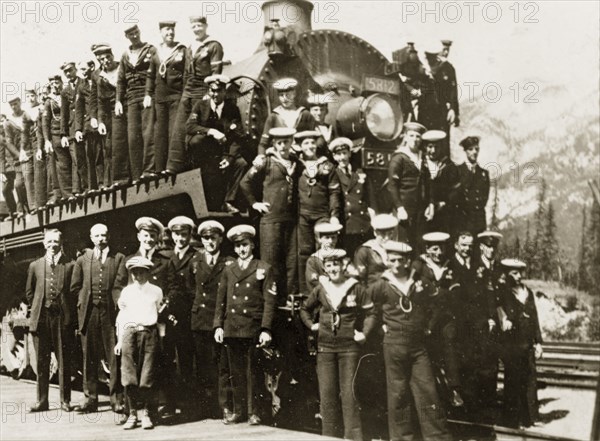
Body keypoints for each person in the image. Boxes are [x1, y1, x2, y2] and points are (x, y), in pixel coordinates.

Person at [368, 240, 453, 441]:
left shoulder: (420, 282)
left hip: (418, 347)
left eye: (401, 260)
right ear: (388, 261)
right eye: (393, 260)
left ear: (407, 261)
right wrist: (381, 330)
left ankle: (438, 438)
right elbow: (369, 311)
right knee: (398, 397)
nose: (397, 264)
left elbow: (439, 301)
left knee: (428, 393)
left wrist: (429, 326)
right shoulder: (381, 284)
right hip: (394, 346)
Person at [300, 249, 374, 441]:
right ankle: (329, 437)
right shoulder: (321, 288)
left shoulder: (355, 287)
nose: (333, 269)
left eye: (336, 265)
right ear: (325, 268)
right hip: (325, 348)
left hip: (349, 348)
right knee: (327, 397)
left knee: (350, 396)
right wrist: (312, 325)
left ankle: (353, 437)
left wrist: (364, 333)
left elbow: (371, 313)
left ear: (344, 266)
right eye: (329, 265)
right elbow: (305, 309)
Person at [213, 225, 277, 426]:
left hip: (252, 328)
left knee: (254, 373)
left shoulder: (263, 268)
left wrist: (266, 329)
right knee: (236, 373)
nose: (241, 249)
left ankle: (254, 412)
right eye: (238, 246)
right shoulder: (229, 270)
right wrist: (218, 326)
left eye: (245, 245)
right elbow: (221, 300)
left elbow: (270, 302)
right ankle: (239, 411)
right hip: (232, 328)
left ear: (252, 245)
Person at [70, 224, 126, 414]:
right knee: (89, 357)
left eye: (104, 235)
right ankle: (90, 399)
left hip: (110, 313)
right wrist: (83, 303)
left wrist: (118, 304)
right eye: (97, 236)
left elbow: (120, 283)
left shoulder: (118, 258)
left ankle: (117, 399)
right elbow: (75, 286)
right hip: (89, 313)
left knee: (114, 356)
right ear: (91, 238)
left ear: (108, 236)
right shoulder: (82, 260)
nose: (101, 238)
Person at [240, 127, 300, 298]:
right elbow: (245, 183)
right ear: (273, 144)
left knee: (291, 262)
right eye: (279, 143)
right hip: (270, 220)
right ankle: (270, 303)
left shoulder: (296, 161)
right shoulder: (265, 162)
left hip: (290, 220)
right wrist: (254, 204)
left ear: (291, 143)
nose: (283, 146)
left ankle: (289, 300)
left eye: (286, 142)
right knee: (271, 263)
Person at [411, 232, 463, 408]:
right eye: (435, 249)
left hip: (445, 317)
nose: (439, 253)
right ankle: (432, 393)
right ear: (427, 249)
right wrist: (438, 294)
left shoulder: (450, 267)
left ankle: (454, 388)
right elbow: (416, 294)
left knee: (450, 341)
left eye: (441, 248)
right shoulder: (419, 267)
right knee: (426, 351)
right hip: (426, 318)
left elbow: (455, 295)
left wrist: (436, 293)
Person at [166, 16, 224, 174]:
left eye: (199, 25)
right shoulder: (190, 47)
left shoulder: (214, 45)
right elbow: (185, 72)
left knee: (199, 125)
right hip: (189, 88)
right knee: (179, 127)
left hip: (203, 87)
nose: (196, 29)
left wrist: (209, 93)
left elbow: (216, 74)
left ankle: (196, 167)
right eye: (193, 26)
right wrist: (185, 92)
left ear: (206, 26)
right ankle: (174, 166)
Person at [188, 220, 234, 420]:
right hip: (200, 319)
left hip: (218, 319)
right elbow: (190, 288)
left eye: (213, 238)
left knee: (221, 365)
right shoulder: (195, 261)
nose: (209, 242)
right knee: (203, 364)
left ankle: (223, 405)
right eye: (206, 238)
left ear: (220, 239)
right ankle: (204, 407)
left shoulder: (228, 263)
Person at [25, 229, 75, 413]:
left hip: (61, 317)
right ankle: (42, 401)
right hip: (41, 318)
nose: (52, 245)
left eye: (56, 241)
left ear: (61, 243)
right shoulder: (35, 266)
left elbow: (73, 290)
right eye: (49, 241)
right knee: (41, 361)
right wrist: (38, 306)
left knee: (64, 360)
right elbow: (29, 292)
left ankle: (65, 401)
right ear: (43, 243)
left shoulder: (69, 265)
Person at [186, 74, 247, 212]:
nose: (215, 94)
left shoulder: (232, 109)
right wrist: (210, 131)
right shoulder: (201, 105)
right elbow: (189, 126)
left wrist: (229, 158)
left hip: (222, 152)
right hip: (204, 153)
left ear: (224, 92)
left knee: (241, 163)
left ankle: (228, 201)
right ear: (209, 91)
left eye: (219, 91)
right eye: (212, 90)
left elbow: (238, 136)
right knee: (197, 141)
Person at [114, 256, 163, 430]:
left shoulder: (156, 291)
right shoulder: (126, 292)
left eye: (141, 272)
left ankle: (147, 414)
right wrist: (119, 341)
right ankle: (132, 414)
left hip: (149, 334)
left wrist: (160, 339)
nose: (137, 276)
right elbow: (122, 317)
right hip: (129, 334)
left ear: (148, 272)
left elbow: (159, 315)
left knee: (147, 376)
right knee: (129, 376)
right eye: (134, 272)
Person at [462, 230, 503, 421]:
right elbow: (473, 299)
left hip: (498, 321)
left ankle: (490, 402)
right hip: (481, 322)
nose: (490, 250)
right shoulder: (474, 268)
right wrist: (486, 318)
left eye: (493, 247)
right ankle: (479, 406)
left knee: (493, 363)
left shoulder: (499, 268)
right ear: (481, 247)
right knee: (480, 363)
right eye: (487, 246)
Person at [498, 259, 543, 429]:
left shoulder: (528, 293)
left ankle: (532, 418)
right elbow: (500, 312)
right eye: (514, 273)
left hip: (527, 343)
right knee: (513, 381)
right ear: (507, 273)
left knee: (531, 379)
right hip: (512, 344)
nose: (518, 276)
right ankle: (512, 420)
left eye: (519, 273)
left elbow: (535, 318)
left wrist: (538, 342)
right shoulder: (503, 293)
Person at [295, 130, 342, 294]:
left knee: (325, 251)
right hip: (303, 216)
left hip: (322, 215)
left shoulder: (327, 165)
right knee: (304, 252)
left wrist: (334, 215)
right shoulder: (296, 164)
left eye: (312, 143)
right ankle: (306, 292)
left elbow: (334, 192)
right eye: (306, 143)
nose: (310, 146)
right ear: (300, 146)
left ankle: (327, 290)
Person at [160, 216, 197, 419]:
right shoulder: (166, 257)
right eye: (177, 234)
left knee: (186, 361)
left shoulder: (195, 257)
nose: (180, 239)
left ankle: (188, 405)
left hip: (186, 316)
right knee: (167, 360)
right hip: (168, 316)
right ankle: (169, 403)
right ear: (171, 235)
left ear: (190, 235)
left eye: (184, 235)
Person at [115, 24, 157, 182]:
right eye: (131, 34)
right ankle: (137, 174)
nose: (134, 36)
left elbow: (154, 73)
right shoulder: (125, 55)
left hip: (146, 95)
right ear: (127, 36)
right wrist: (118, 100)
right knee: (133, 138)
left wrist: (149, 93)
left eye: (136, 32)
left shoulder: (150, 49)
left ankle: (149, 170)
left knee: (148, 134)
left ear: (139, 32)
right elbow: (120, 80)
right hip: (131, 98)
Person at [146, 21, 186, 173]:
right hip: (160, 98)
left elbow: (187, 73)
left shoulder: (181, 50)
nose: (170, 33)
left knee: (173, 132)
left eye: (172, 30)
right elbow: (150, 75)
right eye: (166, 30)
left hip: (176, 96)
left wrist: (184, 94)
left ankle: (172, 167)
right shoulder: (156, 52)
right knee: (160, 133)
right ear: (161, 32)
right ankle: (159, 168)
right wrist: (148, 94)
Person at [387, 122, 434, 246]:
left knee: (419, 243)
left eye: (418, 136)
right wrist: (399, 207)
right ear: (406, 137)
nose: (415, 139)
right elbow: (392, 185)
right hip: (404, 208)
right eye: (411, 135)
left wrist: (430, 204)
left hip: (420, 209)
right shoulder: (399, 158)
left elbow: (428, 183)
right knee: (403, 243)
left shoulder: (422, 157)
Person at [329, 137, 376, 255]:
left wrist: (374, 218)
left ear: (349, 153)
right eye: (338, 154)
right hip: (346, 224)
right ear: (334, 157)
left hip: (363, 223)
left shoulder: (360, 172)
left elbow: (370, 197)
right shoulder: (333, 175)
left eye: (344, 153)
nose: (342, 157)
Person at [257, 78, 316, 156]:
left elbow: (316, 137)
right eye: (281, 95)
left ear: (294, 94)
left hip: (302, 155)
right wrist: (261, 156)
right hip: (281, 157)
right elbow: (263, 144)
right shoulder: (273, 117)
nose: (284, 98)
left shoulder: (305, 114)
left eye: (287, 95)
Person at [422, 130, 460, 233]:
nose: (433, 151)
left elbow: (455, 190)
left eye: (436, 147)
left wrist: (443, 203)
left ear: (441, 147)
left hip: (443, 213)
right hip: (422, 213)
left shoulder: (449, 166)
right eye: (430, 147)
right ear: (425, 147)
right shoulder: (420, 164)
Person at [60, 61, 88, 197]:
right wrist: (63, 134)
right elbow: (64, 114)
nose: (68, 73)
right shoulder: (65, 92)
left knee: (88, 155)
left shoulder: (84, 83)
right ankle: (80, 189)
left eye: (70, 70)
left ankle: (89, 186)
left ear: (75, 69)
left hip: (85, 124)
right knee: (77, 159)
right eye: (65, 72)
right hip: (72, 128)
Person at [43, 74, 72, 200]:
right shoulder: (49, 101)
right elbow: (45, 122)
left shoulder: (66, 95)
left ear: (61, 82)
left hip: (69, 131)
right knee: (63, 164)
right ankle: (67, 193)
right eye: (53, 83)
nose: (55, 85)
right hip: (56, 134)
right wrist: (47, 140)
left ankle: (78, 188)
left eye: (57, 82)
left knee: (74, 160)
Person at [74, 60, 102, 191]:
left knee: (103, 153)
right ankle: (94, 186)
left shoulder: (99, 77)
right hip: (89, 126)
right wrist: (78, 129)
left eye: (84, 69)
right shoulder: (81, 86)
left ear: (92, 67)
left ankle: (104, 182)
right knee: (91, 156)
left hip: (102, 119)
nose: (82, 73)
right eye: (81, 70)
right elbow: (79, 109)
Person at [453, 136, 490, 237]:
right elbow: (454, 198)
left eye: (477, 149)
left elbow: (484, 198)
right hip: (463, 220)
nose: (474, 152)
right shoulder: (457, 171)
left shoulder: (484, 173)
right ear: (465, 151)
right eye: (470, 149)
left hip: (479, 221)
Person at [353, 214, 398, 285]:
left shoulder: (396, 249)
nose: (387, 238)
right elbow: (361, 279)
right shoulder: (364, 251)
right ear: (375, 233)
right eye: (383, 234)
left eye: (390, 234)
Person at [1, 99, 27, 216]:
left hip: (16, 162)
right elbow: (1, 154)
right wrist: (2, 171)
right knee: (6, 190)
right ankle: (13, 212)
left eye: (2, 120)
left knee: (19, 186)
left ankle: (22, 209)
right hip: (8, 167)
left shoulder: (11, 130)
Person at [305, 222, 343, 292]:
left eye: (333, 237)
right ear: (319, 239)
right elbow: (313, 282)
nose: (331, 241)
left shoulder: (341, 257)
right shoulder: (313, 260)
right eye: (327, 238)